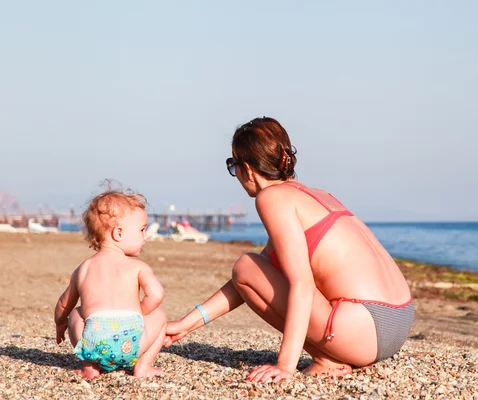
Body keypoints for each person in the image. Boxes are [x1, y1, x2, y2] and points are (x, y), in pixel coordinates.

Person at [164, 117, 414, 382]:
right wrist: (186, 324)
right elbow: (248, 281)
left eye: (232, 164)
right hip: (397, 323)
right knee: (249, 267)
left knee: (244, 264)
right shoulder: (313, 195)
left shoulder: (271, 198)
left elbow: (298, 284)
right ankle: (331, 354)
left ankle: (326, 359)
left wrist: (285, 365)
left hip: (363, 331)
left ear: (247, 169)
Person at [54, 188, 167, 379]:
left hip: (95, 342)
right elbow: (156, 295)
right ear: (118, 233)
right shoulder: (137, 266)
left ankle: (90, 367)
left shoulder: (84, 269)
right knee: (159, 316)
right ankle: (143, 366)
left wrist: (60, 324)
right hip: (132, 344)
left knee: (75, 313)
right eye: (142, 230)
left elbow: (64, 304)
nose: (145, 236)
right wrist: (140, 313)